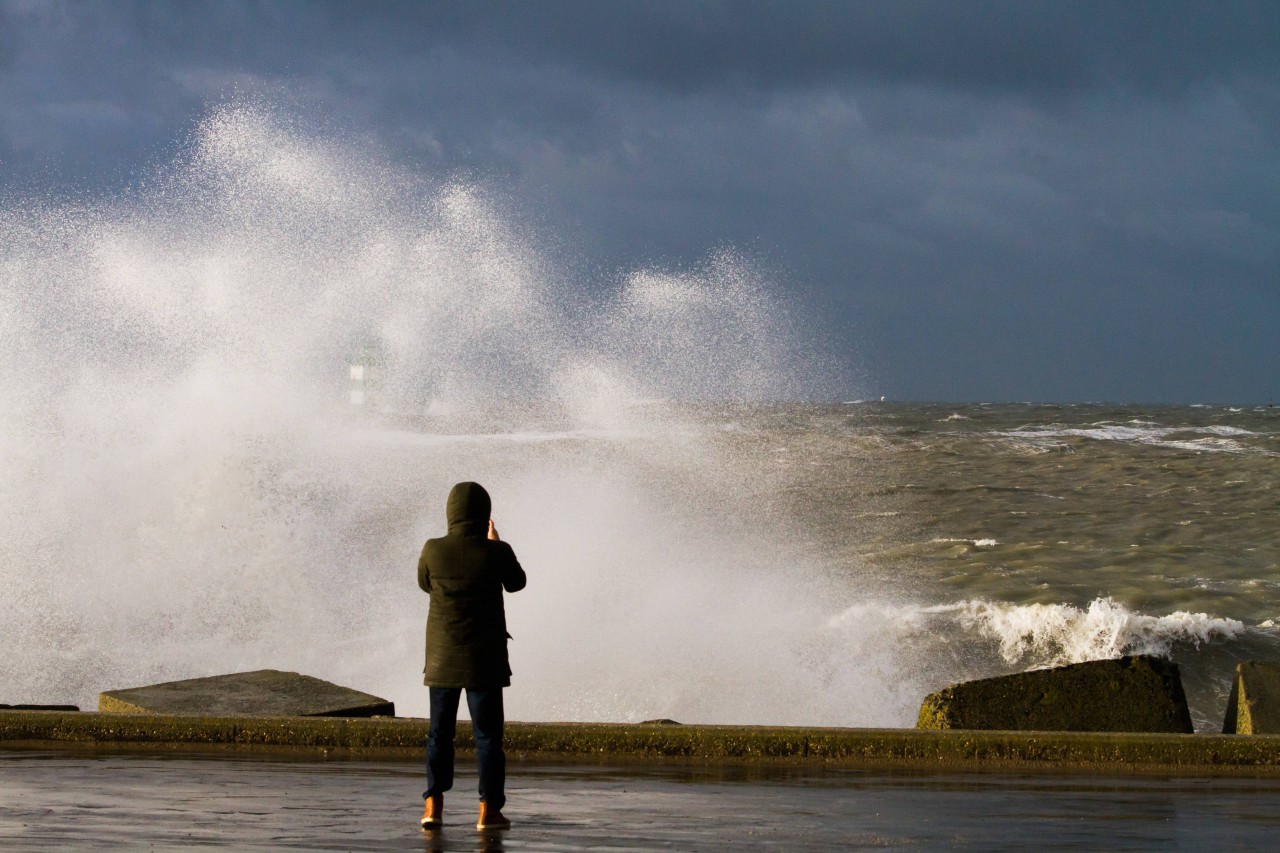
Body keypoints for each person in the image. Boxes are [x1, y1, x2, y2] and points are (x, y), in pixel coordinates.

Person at [417, 481, 527, 831]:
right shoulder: (497, 552)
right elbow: (517, 582)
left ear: (450, 513)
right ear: (483, 514)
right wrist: (494, 544)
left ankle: (433, 806)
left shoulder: (433, 549)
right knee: (488, 738)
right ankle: (488, 811)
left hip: (442, 659)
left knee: (439, 735)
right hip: (484, 660)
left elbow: (425, 583)